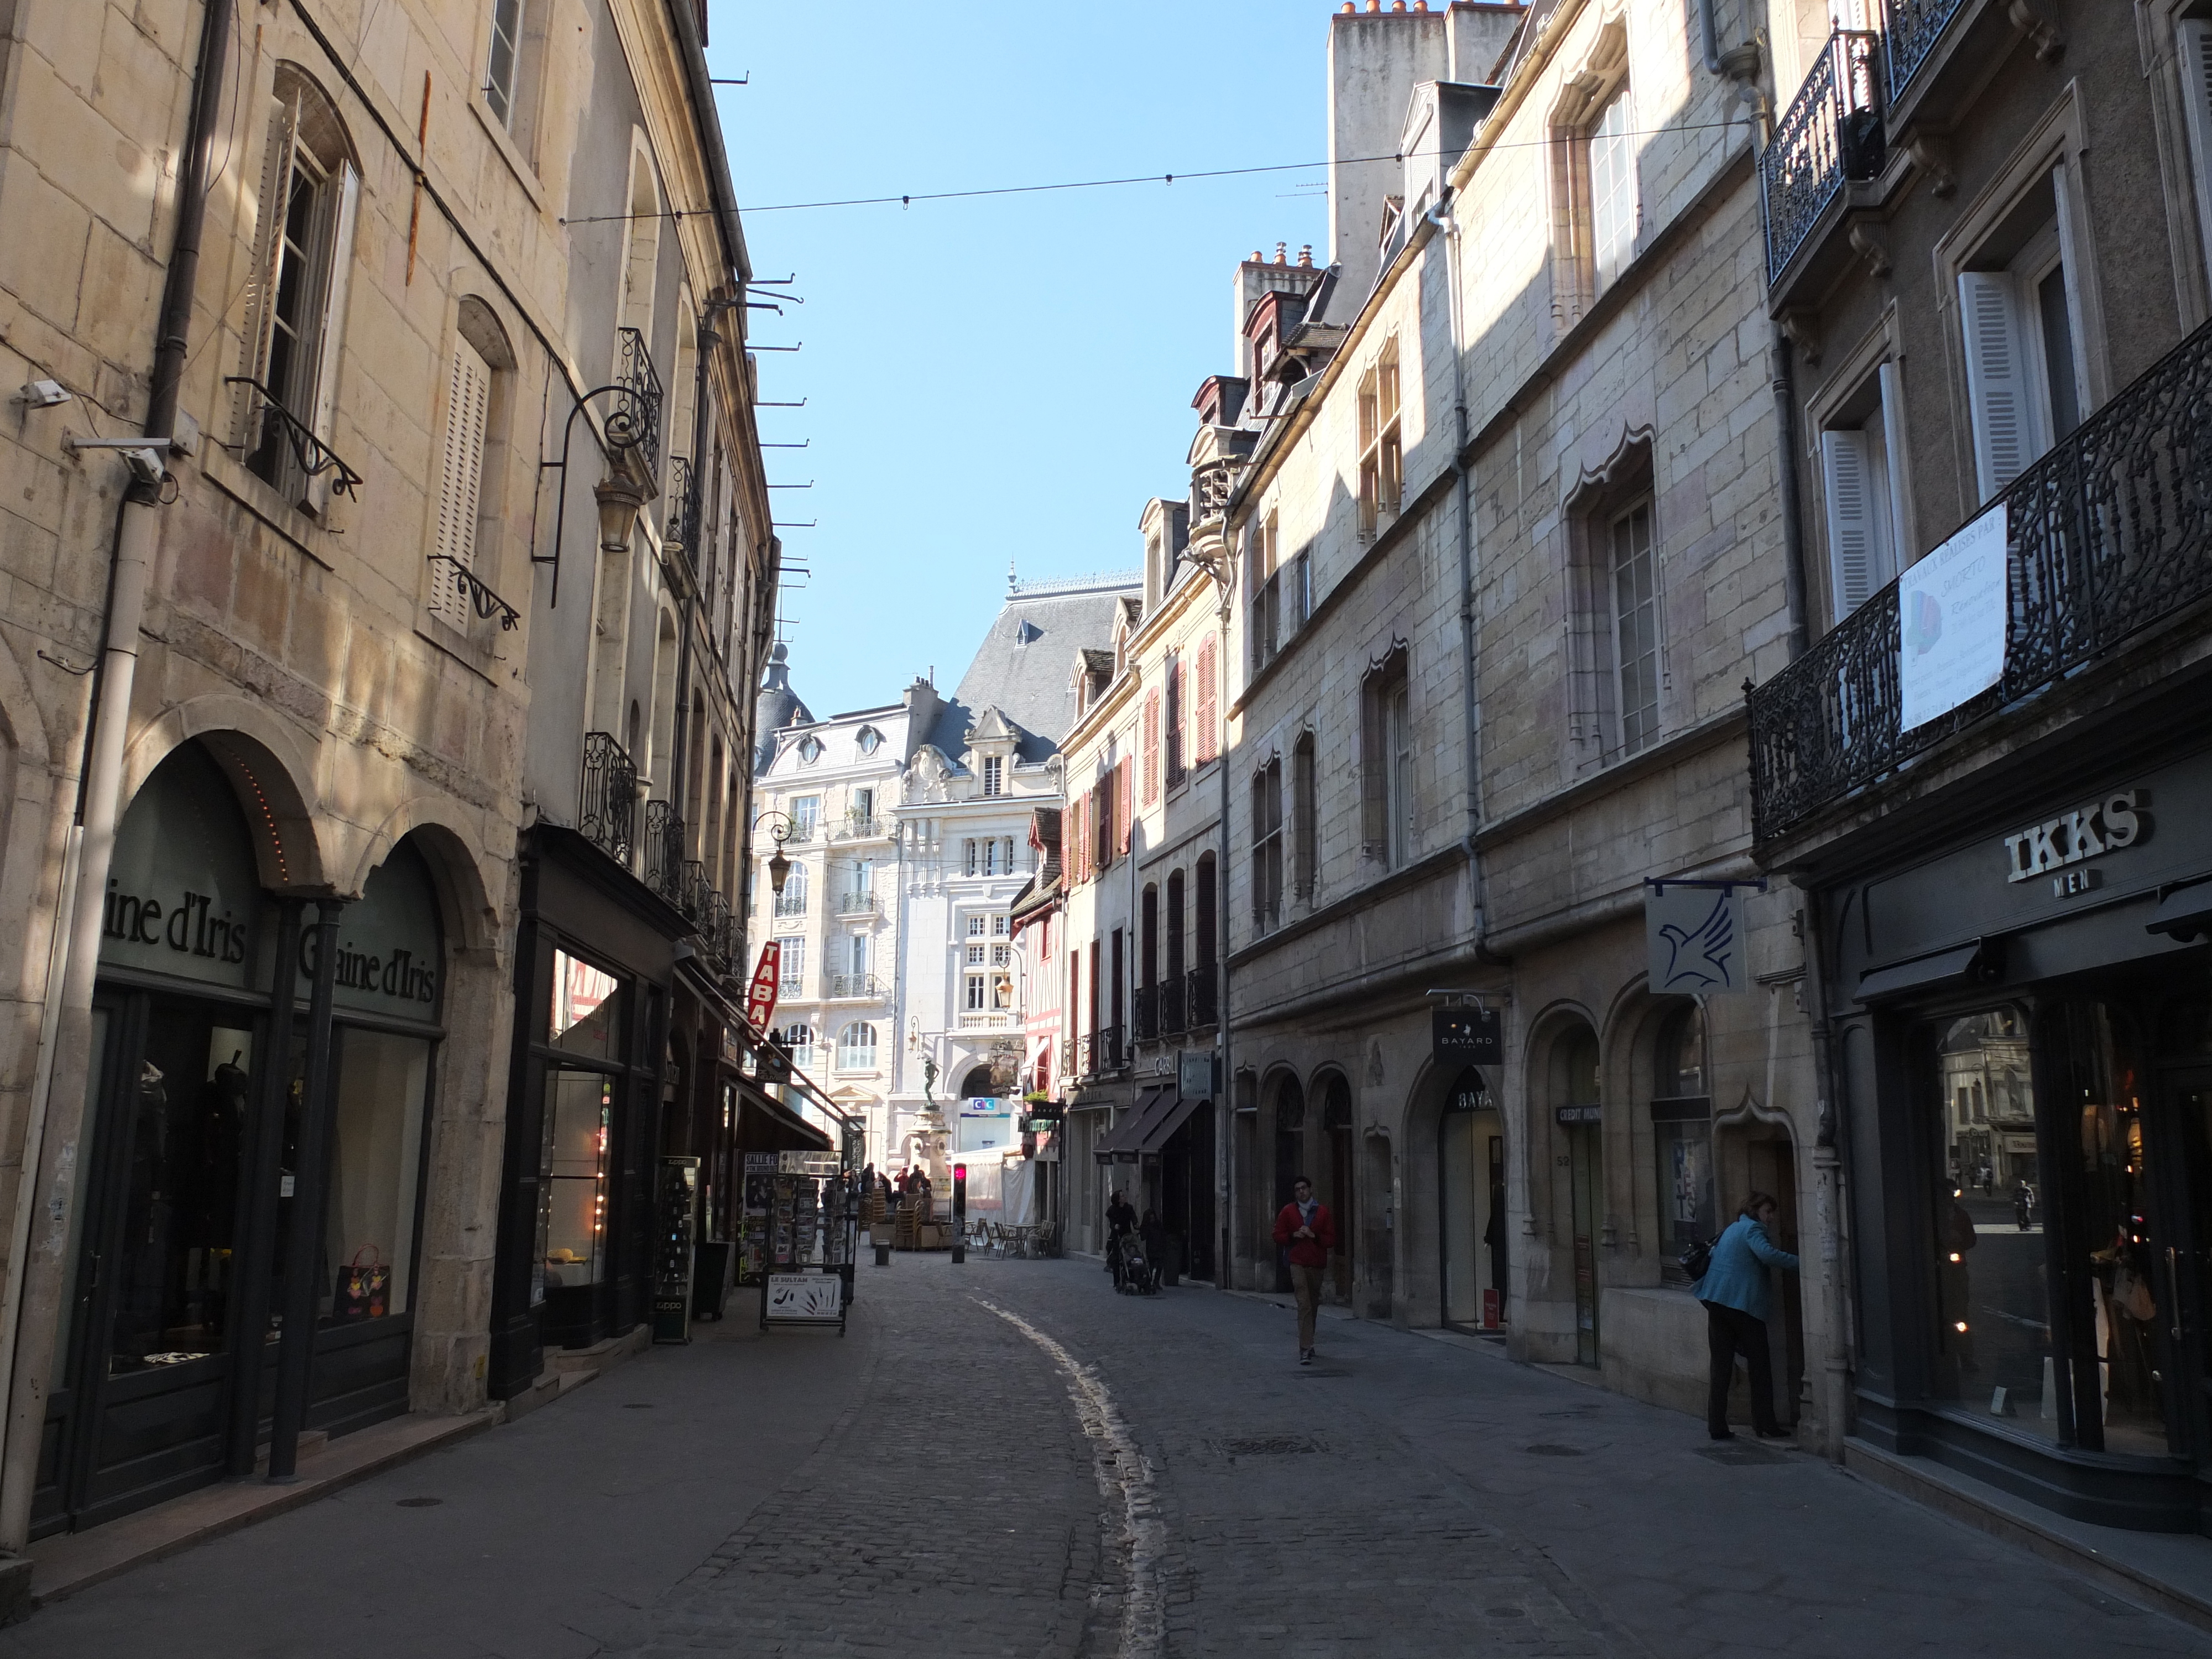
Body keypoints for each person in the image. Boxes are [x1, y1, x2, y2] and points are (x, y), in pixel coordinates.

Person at [1693, 1190, 1799, 1441]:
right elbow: (1767, 1255)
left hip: (1717, 1302)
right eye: (1768, 1212)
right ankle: (1765, 1423)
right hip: (1743, 1306)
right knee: (1760, 1366)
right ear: (1755, 1211)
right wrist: (1802, 1263)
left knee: (1720, 1367)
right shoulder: (1753, 1230)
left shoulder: (1733, 1229)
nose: (1771, 1218)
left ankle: (1717, 1425)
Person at [1272, 1177, 1335, 1365]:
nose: (1301, 1192)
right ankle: (1305, 1349)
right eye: (1298, 1189)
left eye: (1304, 1188)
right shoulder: (1288, 1211)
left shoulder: (1322, 1212)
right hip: (1297, 1263)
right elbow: (1277, 1235)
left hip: (1316, 1264)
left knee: (1313, 1305)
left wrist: (1313, 1235)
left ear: (1311, 1190)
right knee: (1304, 1304)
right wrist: (1293, 1235)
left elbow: (1331, 1240)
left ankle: (1310, 1341)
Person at [1105, 1190, 1136, 1286]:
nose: (1125, 1197)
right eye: (1122, 1196)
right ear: (1118, 1200)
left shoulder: (1129, 1208)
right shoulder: (1112, 1210)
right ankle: (1117, 1282)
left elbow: (1133, 1217)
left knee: (1131, 1256)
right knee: (1116, 1259)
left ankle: (1132, 1277)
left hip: (1127, 1236)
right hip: (1117, 1236)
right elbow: (1111, 1223)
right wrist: (1115, 1226)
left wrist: (1136, 1224)